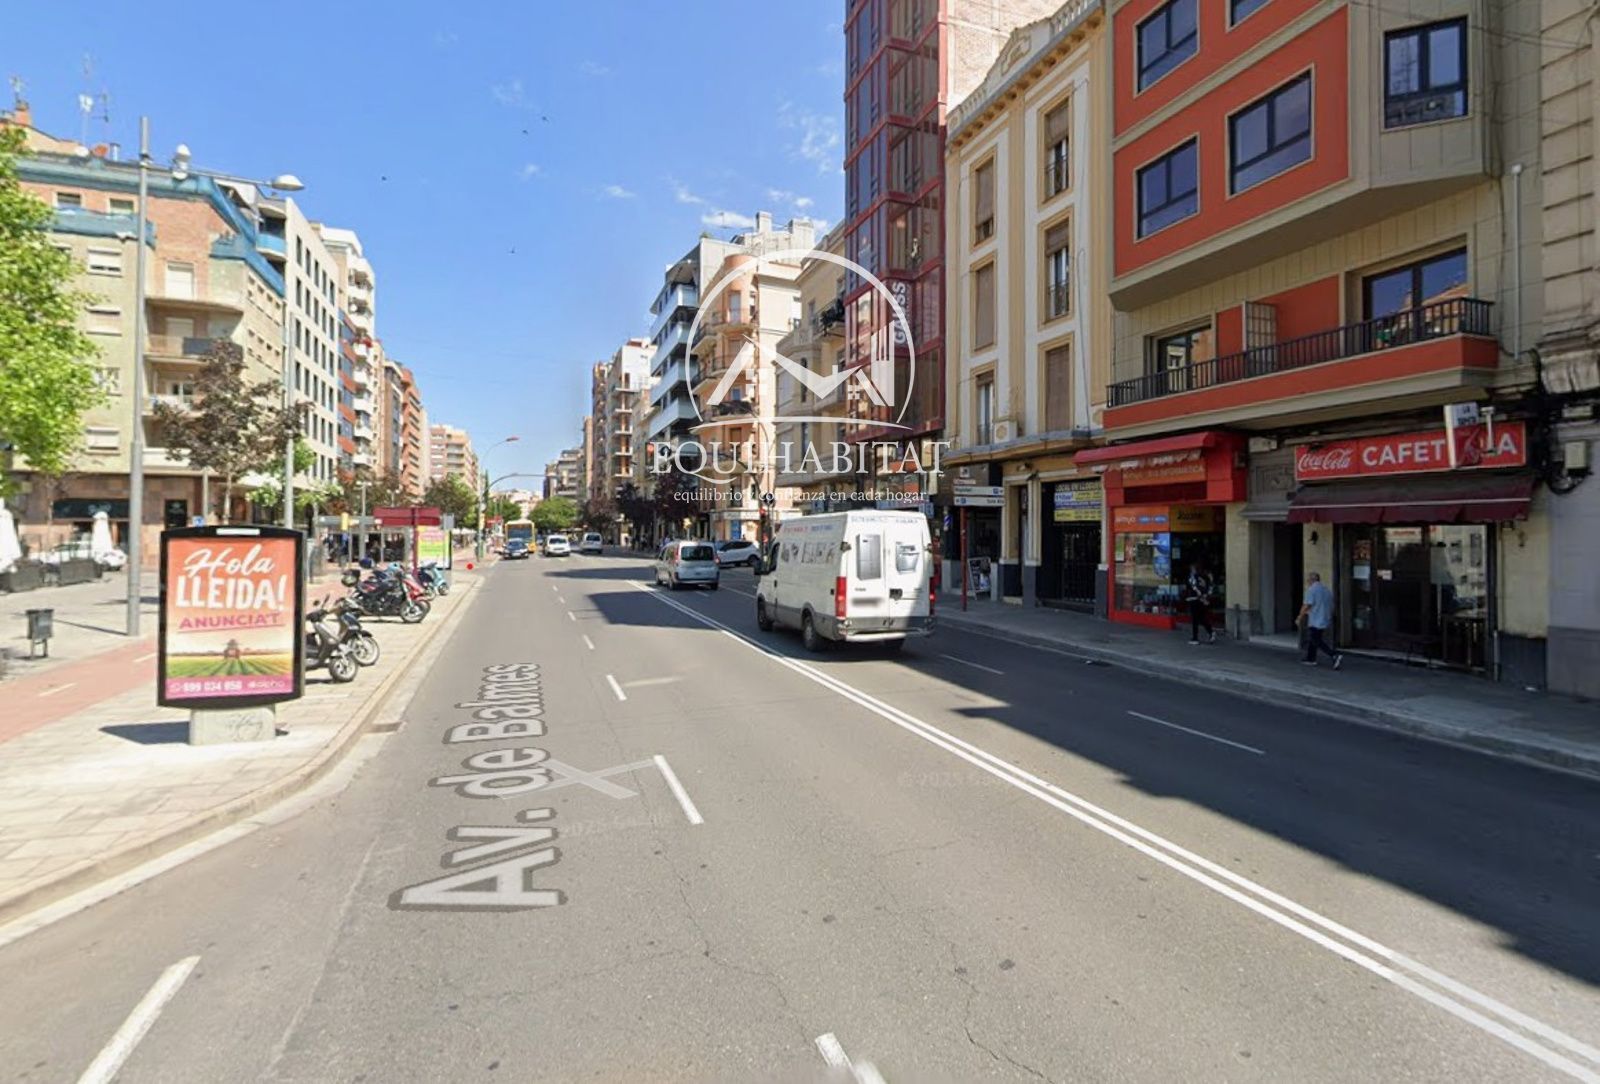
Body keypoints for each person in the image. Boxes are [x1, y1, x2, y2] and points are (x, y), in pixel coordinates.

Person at [1298, 571, 1343, 669]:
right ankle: (1311, 658)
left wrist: (1299, 617)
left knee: (1316, 640)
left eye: (1308, 579)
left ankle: (1334, 655)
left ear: (1312, 580)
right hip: (1325, 618)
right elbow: (1332, 605)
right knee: (1314, 638)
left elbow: (1307, 605)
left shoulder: (1311, 590)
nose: (1307, 581)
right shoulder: (1326, 590)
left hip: (1315, 619)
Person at [1186, 561, 1216, 644]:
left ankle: (1195, 638)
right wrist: (1206, 597)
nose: (1191, 570)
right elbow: (1210, 588)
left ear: (1194, 569)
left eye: (1192, 568)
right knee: (1202, 618)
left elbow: (1194, 587)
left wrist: (1200, 595)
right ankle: (1210, 631)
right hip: (1202, 600)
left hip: (1194, 599)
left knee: (1195, 619)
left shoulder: (1193, 576)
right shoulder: (1204, 577)